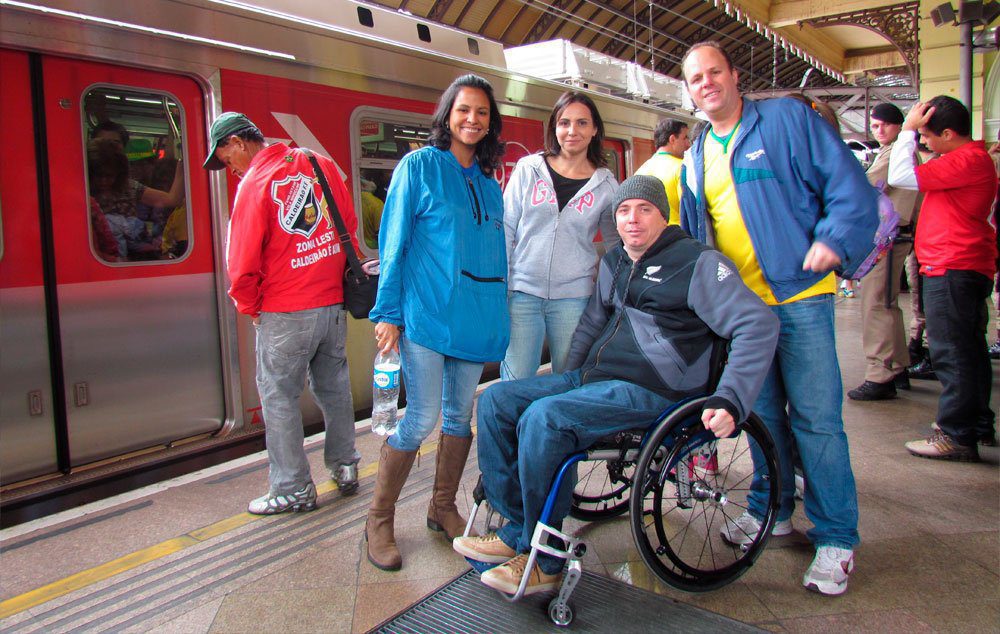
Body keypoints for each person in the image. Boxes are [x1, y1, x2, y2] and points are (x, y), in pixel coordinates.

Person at [452, 175, 779, 595]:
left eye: (644, 209)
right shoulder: (615, 262)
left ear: (664, 215)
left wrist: (731, 398)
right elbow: (591, 324)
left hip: (657, 390)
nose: (632, 220)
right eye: (623, 211)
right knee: (496, 400)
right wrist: (566, 381)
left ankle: (545, 560)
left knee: (544, 419)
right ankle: (518, 531)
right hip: (598, 380)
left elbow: (757, 324)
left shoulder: (697, 263)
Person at [678, 41, 878, 596]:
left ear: (735, 76)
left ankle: (837, 536)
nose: (706, 83)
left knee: (816, 419)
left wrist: (834, 240)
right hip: (747, 314)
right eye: (696, 78)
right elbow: (701, 237)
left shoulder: (787, 119)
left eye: (714, 72)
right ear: (690, 91)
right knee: (760, 418)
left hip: (801, 296)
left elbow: (847, 184)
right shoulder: (696, 155)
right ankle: (775, 509)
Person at [366, 74, 508, 572]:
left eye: (482, 113)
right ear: (447, 113)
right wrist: (387, 313)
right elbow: (394, 240)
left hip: (473, 319)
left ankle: (441, 506)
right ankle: (379, 518)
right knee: (422, 417)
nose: (472, 119)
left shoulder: (490, 185)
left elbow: (496, 257)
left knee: (457, 417)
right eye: (464, 109)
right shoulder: (419, 167)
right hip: (426, 313)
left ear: (491, 124)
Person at [203, 112, 362, 514]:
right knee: (335, 389)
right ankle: (345, 467)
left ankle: (292, 487)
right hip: (332, 306)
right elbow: (349, 222)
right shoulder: (318, 163)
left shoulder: (255, 183)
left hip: (286, 311)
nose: (230, 169)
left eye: (226, 158)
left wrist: (251, 308)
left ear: (239, 143)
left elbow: (241, 263)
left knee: (279, 397)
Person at [888, 96, 998, 458]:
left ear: (949, 133)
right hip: (959, 265)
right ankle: (975, 425)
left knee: (952, 354)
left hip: (952, 265)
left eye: (927, 136)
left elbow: (901, 176)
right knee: (969, 351)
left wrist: (904, 131)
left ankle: (956, 434)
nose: (923, 143)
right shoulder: (968, 159)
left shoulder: (966, 160)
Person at [501, 91, 619, 381]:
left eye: (582, 123)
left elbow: (616, 244)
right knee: (515, 380)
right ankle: (513, 428)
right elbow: (505, 226)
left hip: (575, 298)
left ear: (594, 130)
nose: (572, 131)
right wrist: (501, 284)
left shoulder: (606, 184)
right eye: (564, 122)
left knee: (567, 380)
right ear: (554, 127)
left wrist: (617, 293)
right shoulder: (529, 169)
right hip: (522, 293)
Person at [847, 103, 922, 401]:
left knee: (876, 305)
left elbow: (866, 185)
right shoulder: (898, 151)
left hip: (886, 237)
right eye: (875, 126)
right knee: (887, 304)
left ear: (898, 125)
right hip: (895, 237)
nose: (879, 132)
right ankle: (897, 366)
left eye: (883, 126)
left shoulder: (894, 153)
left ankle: (881, 373)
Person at [635, 117, 690, 225]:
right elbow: (689, 210)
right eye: (685, 138)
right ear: (672, 139)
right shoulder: (682, 167)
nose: (688, 144)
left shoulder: (640, 171)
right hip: (678, 236)